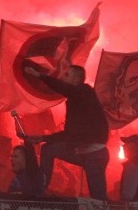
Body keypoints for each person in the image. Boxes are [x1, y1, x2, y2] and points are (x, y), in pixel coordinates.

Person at [21, 64, 110, 200]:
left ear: (76, 79)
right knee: (48, 149)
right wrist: (41, 138)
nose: (62, 77)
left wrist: (38, 75)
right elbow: (68, 135)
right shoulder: (76, 101)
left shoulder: (84, 91)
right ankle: (40, 190)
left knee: (98, 199)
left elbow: (63, 88)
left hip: (95, 155)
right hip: (82, 152)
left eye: (67, 75)